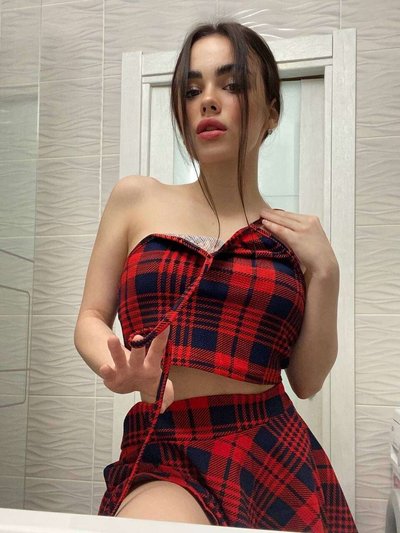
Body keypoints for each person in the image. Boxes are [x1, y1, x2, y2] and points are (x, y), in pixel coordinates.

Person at [74, 19, 358, 532]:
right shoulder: (136, 199)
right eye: (192, 90)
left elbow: (307, 379)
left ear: (272, 112)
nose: (208, 100)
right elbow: (91, 317)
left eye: (231, 84)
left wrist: (326, 271)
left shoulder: (291, 240)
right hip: (169, 444)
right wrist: (113, 366)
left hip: (274, 450)